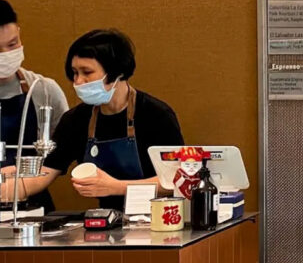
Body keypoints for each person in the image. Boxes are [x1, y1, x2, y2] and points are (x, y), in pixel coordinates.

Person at [3, 29, 184, 211]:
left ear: (117, 73)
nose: (78, 81)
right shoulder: (76, 120)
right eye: (74, 73)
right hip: (107, 222)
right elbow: (46, 171)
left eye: (87, 72)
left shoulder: (156, 115)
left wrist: (115, 187)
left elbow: (174, 180)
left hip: (158, 219)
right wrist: (10, 183)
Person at [0, 0, 69, 212]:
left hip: (33, 206)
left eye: (12, 45)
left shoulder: (44, 90)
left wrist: (27, 179)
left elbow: (65, 151)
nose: (5, 55)